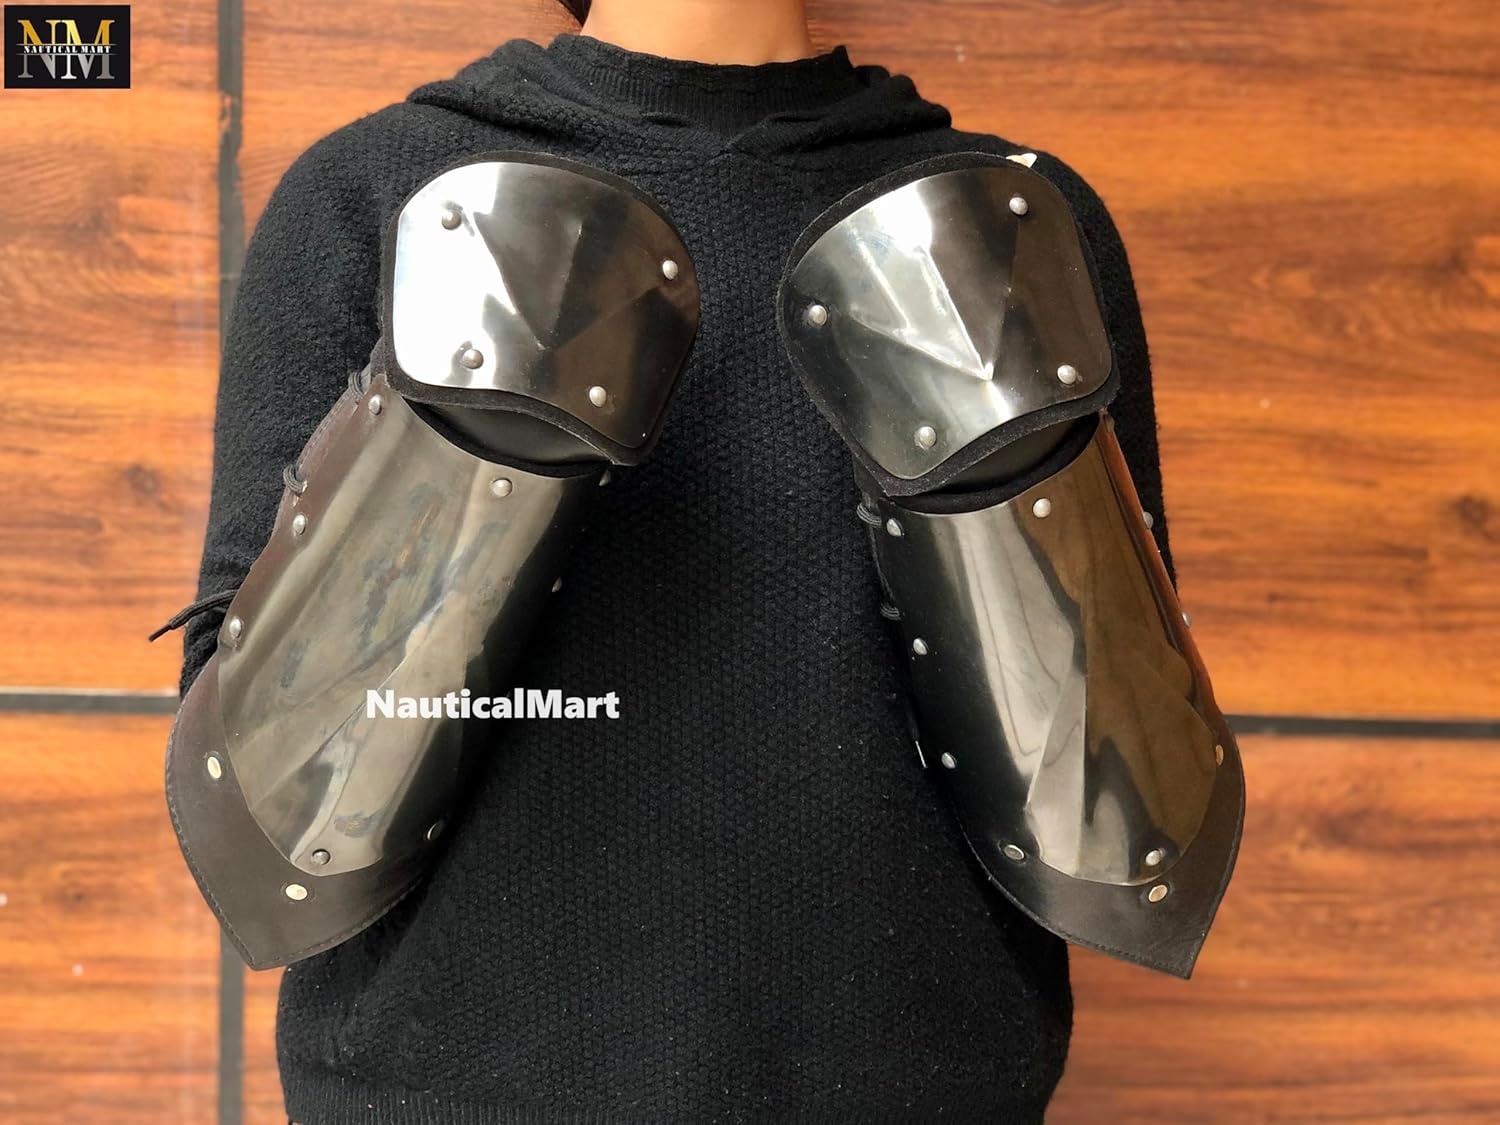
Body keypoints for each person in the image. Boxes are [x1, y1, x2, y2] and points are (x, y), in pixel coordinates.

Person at [161, 0, 1242, 1120]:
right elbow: (271, 800)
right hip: (448, 1089)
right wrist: (482, 411)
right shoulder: (385, 191)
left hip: (915, 1083)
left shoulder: (1010, 221)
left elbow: (1124, 788)